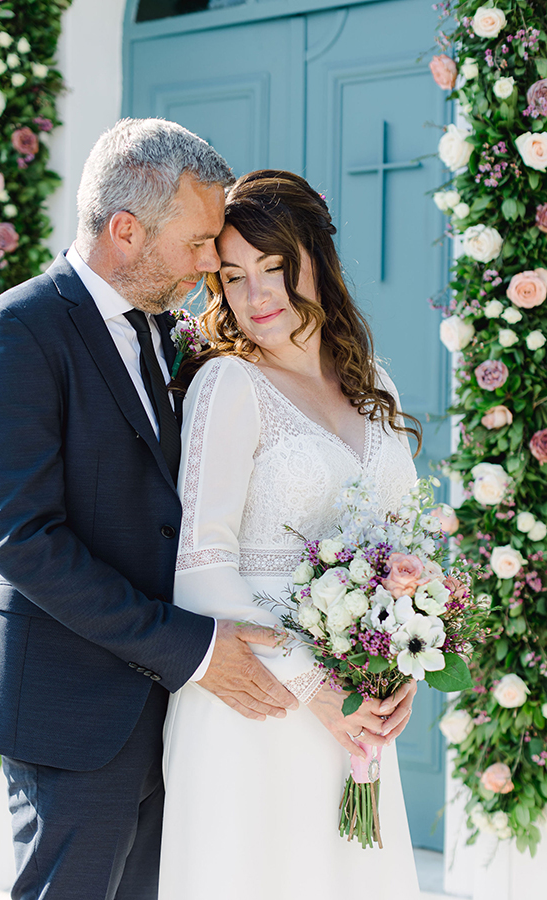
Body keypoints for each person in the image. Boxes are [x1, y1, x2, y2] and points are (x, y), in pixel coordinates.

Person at [0, 122, 300, 900]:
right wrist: (196, 650)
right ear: (125, 230)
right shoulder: (16, 333)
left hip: (170, 718)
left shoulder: (174, 335)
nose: (212, 262)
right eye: (201, 241)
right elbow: (26, 542)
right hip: (71, 714)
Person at [158, 170, 422, 899]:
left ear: (317, 260)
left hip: (359, 709)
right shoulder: (230, 385)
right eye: (235, 277)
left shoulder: (377, 386)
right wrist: (316, 687)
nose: (257, 295)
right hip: (262, 709)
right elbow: (199, 567)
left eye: (275, 267)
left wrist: (402, 672)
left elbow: (405, 558)